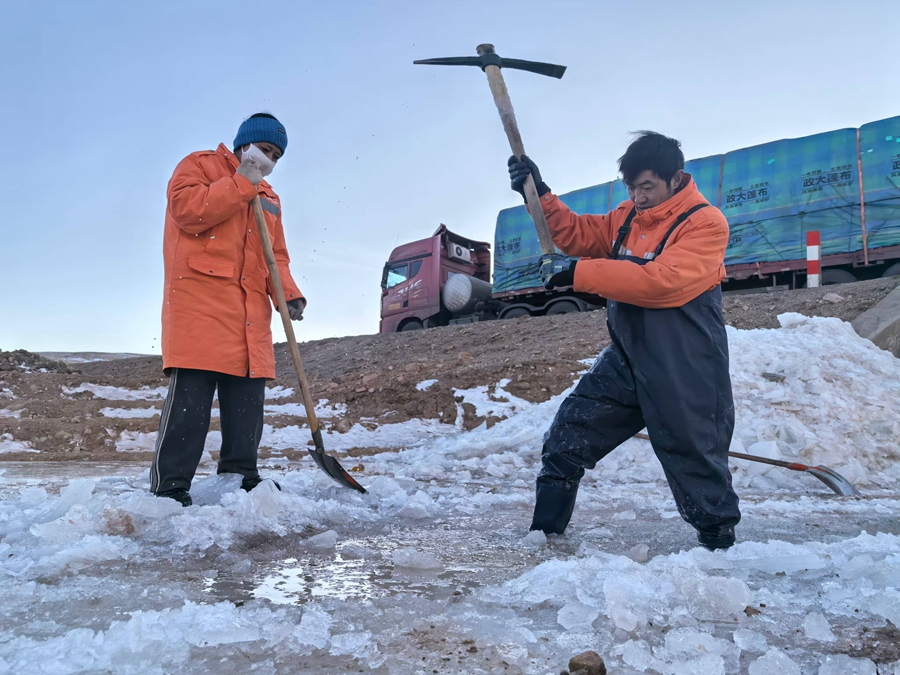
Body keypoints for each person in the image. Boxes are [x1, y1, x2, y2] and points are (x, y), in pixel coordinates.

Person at [507, 131, 740, 550]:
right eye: (631, 187)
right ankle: (544, 543)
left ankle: (720, 553)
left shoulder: (705, 223)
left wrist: (576, 272)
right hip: (629, 358)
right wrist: (538, 194)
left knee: (697, 465)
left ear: (676, 178)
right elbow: (577, 234)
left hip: (686, 363)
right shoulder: (627, 217)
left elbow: (662, 282)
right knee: (566, 438)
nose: (638, 197)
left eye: (647, 186)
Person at [152, 113, 306, 507]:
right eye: (265, 149)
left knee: (247, 403)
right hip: (199, 307)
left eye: (276, 156)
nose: (269, 159)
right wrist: (240, 183)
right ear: (244, 143)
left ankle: (240, 475)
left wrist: (287, 294)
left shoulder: (270, 197)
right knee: (190, 406)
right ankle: (170, 487)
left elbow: (276, 256)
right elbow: (188, 211)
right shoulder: (199, 165)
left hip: (250, 312)